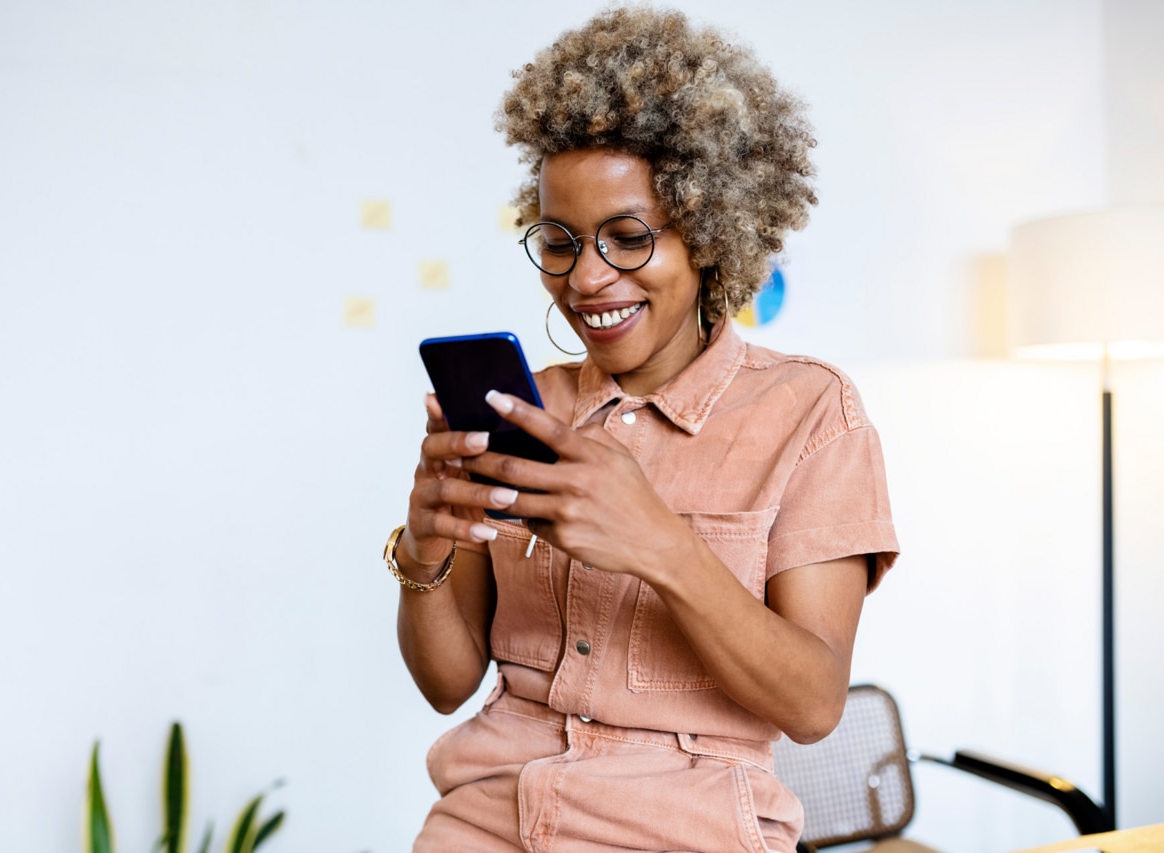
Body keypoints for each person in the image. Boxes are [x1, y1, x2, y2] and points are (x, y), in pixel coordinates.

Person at [384, 7, 899, 852]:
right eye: (560, 241)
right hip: (484, 822)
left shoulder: (809, 413)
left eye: (626, 238)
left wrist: (659, 544)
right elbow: (448, 684)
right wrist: (425, 544)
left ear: (708, 229)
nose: (587, 279)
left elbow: (812, 704)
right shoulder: (527, 408)